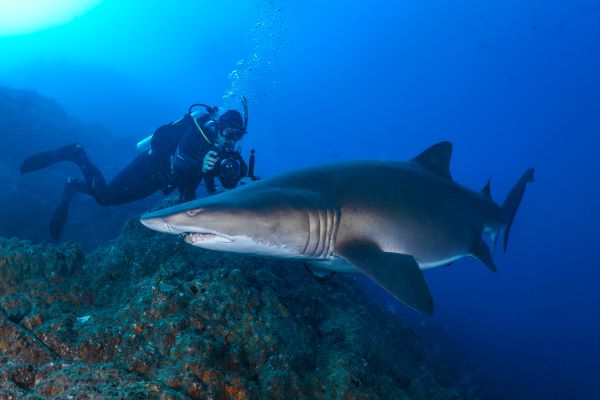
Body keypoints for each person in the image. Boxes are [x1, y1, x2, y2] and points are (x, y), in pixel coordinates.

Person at [20, 99, 250, 240]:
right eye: (228, 134)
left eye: (237, 136)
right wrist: (201, 164)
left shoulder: (224, 150)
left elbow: (212, 185)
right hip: (151, 167)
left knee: (106, 197)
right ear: (219, 126)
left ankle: (75, 185)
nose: (231, 140)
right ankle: (77, 154)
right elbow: (180, 162)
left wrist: (233, 176)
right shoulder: (197, 132)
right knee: (105, 198)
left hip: (163, 180)